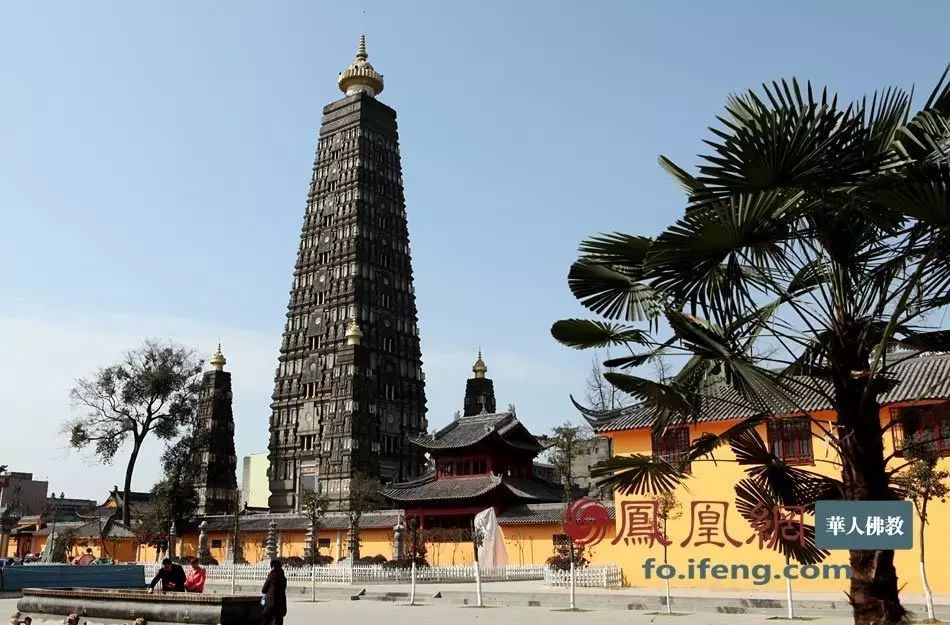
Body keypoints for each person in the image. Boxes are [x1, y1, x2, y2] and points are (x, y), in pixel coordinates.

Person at [261, 559, 287, 625]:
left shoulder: (272, 576)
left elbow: (264, 590)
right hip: (281, 604)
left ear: (273, 567)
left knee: (266, 621)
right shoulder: (283, 577)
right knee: (279, 621)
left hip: (272, 603)